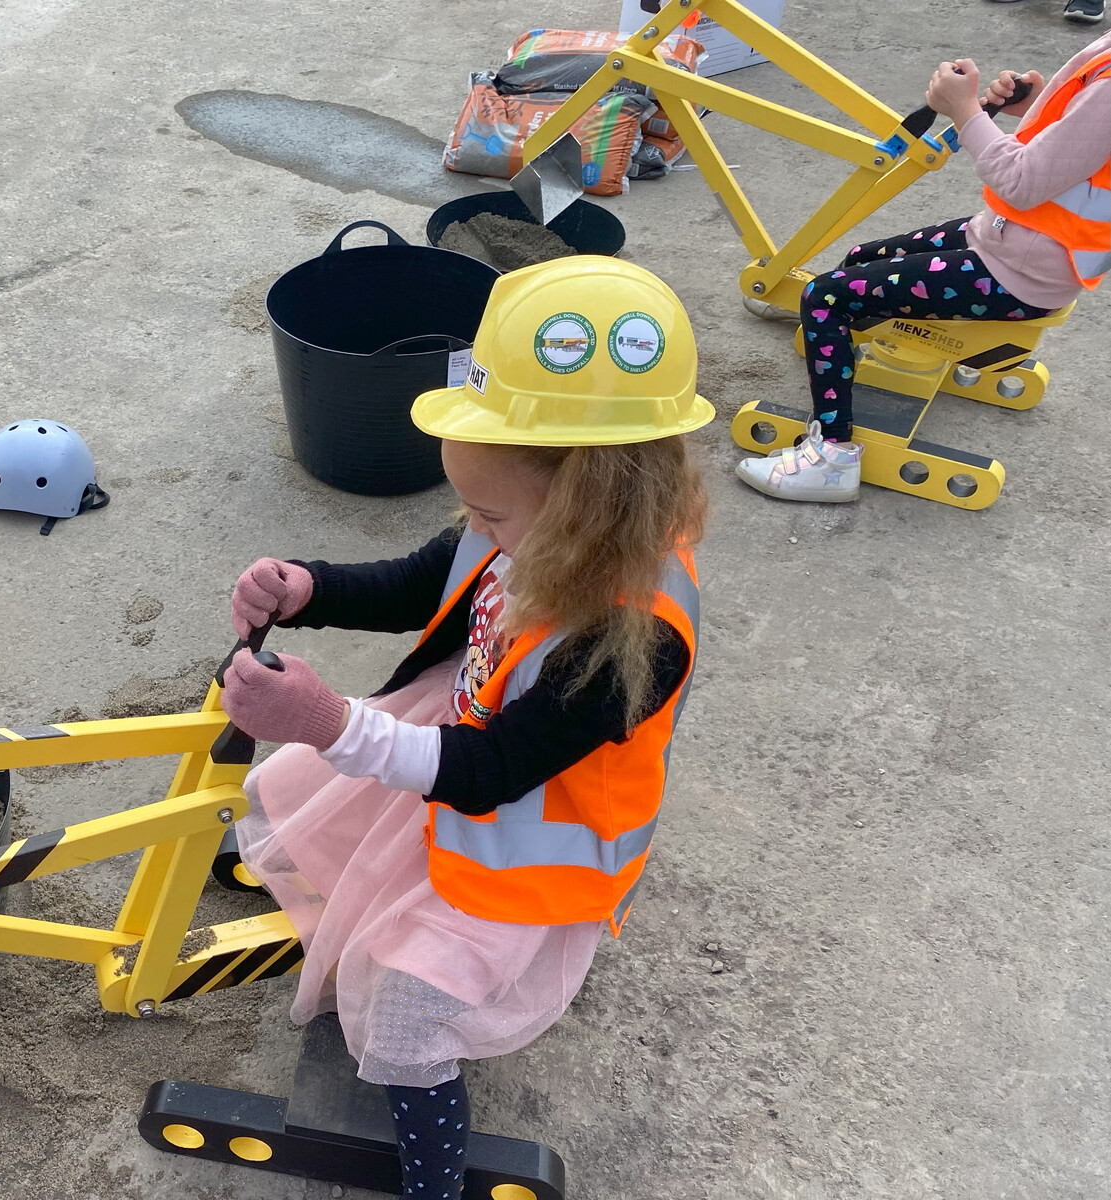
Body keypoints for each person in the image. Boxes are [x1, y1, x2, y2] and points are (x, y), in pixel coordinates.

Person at [217, 257, 712, 1198]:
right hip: (458, 742)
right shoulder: (523, 519)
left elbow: (488, 773)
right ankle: (351, 909)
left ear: (590, 501)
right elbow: (420, 581)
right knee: (303, 805)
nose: (476, 529)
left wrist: (326, 721)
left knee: (404, 1029)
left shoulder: (634, 639)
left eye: (489, 512)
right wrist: (309, 585)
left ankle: (435, 1180)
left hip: (524, 843)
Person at [737, 33, 1111, 503]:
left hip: (1019, 273)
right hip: (1009, 239)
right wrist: (1036, 107)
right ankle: (832, 339)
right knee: (860, 260)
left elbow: (1021, 180)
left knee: (825, 297)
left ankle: (830, 459)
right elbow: (1082, 141)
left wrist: (965, 111)